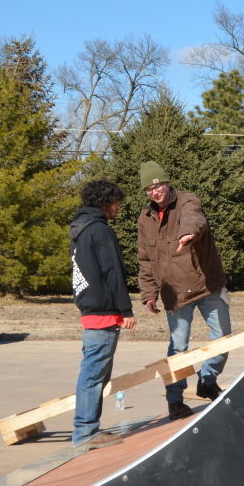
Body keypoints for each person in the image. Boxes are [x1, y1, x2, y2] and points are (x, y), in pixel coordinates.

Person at [137, 161, 231, 420]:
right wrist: (148, 293)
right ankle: (175, 401)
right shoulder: (145, 219)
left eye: (157, 186)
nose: (155, 192)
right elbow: (145, 259)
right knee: (178, 349)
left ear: (167, 183)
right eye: (149, 189)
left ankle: (208, 379)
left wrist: (188, 233)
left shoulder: (188, 201)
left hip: (207, 285)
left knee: (223, 338)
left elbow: (195, 218)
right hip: (174, 293)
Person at [70, 179, 136, 450]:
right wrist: (126, 310)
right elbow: (114, 273)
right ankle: (85, 431)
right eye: (116, 202)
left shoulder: (80, 229)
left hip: (89, 307)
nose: (118, 207)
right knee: (93, 374)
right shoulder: (100, 231)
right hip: (103, 311)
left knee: (94, 373)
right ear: (106, 203)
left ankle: (87, 427)